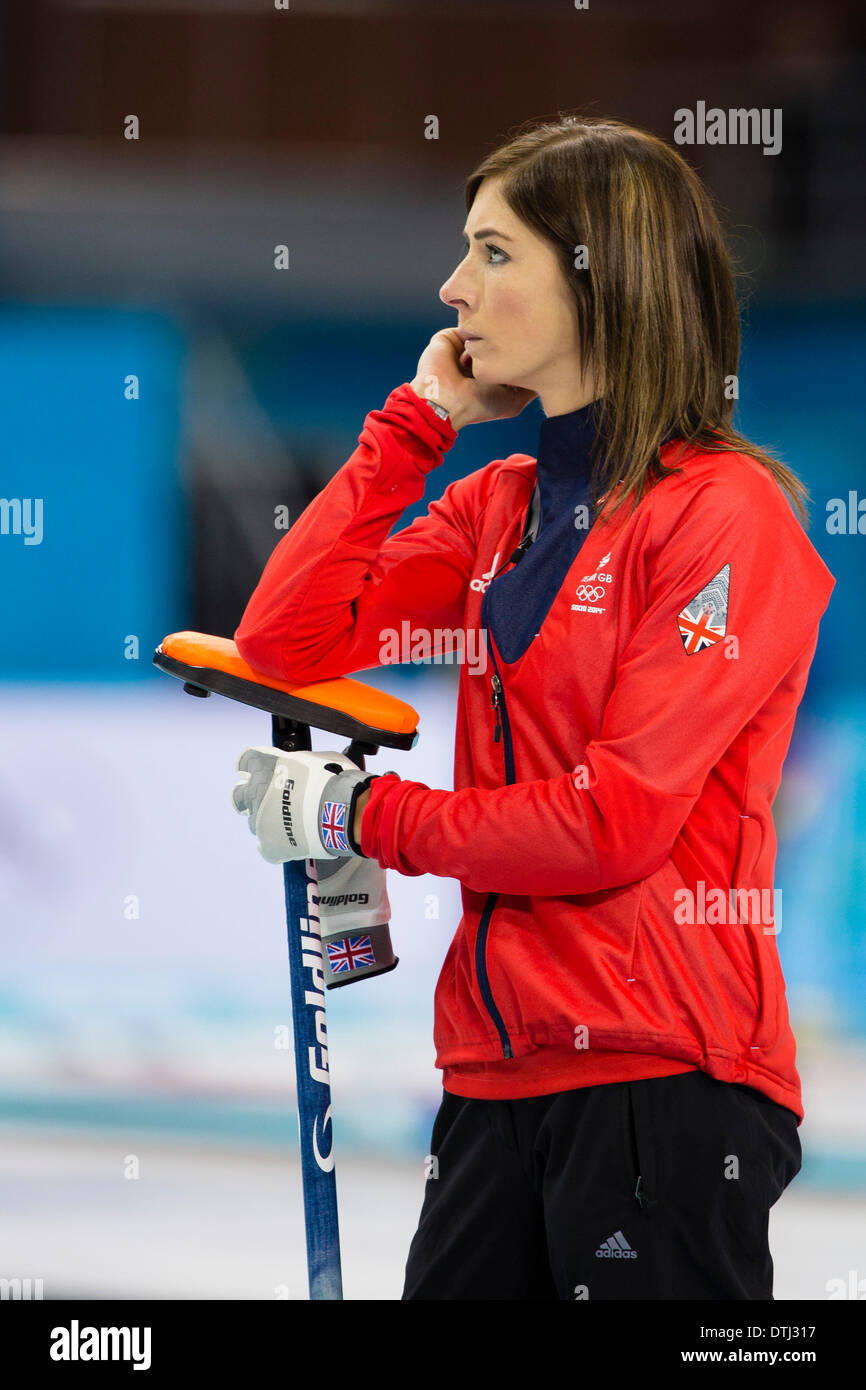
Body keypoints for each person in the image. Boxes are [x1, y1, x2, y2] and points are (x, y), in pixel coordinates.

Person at [230, 115, 835, 1300]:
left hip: (662, 1080)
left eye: (494, 252)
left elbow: (612, 821)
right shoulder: (495, 507)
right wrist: (416, 425)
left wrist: (363, 817)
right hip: (495, 1072)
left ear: (603, 275)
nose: (453, 287)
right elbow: (282, 641)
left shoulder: (724, 517)